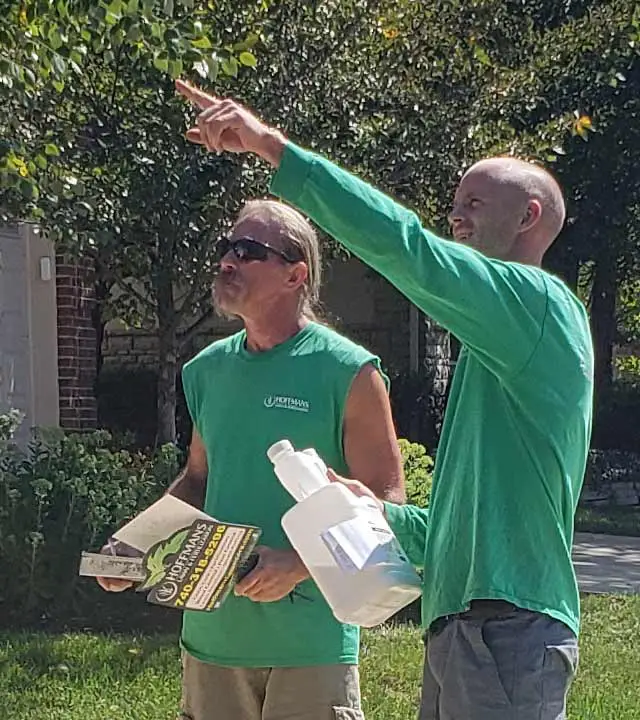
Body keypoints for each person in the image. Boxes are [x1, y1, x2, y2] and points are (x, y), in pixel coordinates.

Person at [175, 79, 594, 720]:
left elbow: (408, 248)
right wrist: (373, 511)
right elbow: (456, 533)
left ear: (529, 216)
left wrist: (273, 149)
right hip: (466, 629)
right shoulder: (497, 354)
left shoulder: (539, 308)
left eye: (473, 204)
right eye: (454, 205)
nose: (455, 219)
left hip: (506, 630)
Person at [97, 198, 405, 720]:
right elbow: (199, 478)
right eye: (225, 248)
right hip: (212, 636)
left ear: (295, 274)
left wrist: (302, 565)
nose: (226, 261)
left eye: (247, 250)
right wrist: (134, 542)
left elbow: (386, 501)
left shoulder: (349, 371)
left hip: (310, 643)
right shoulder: (206, 371)